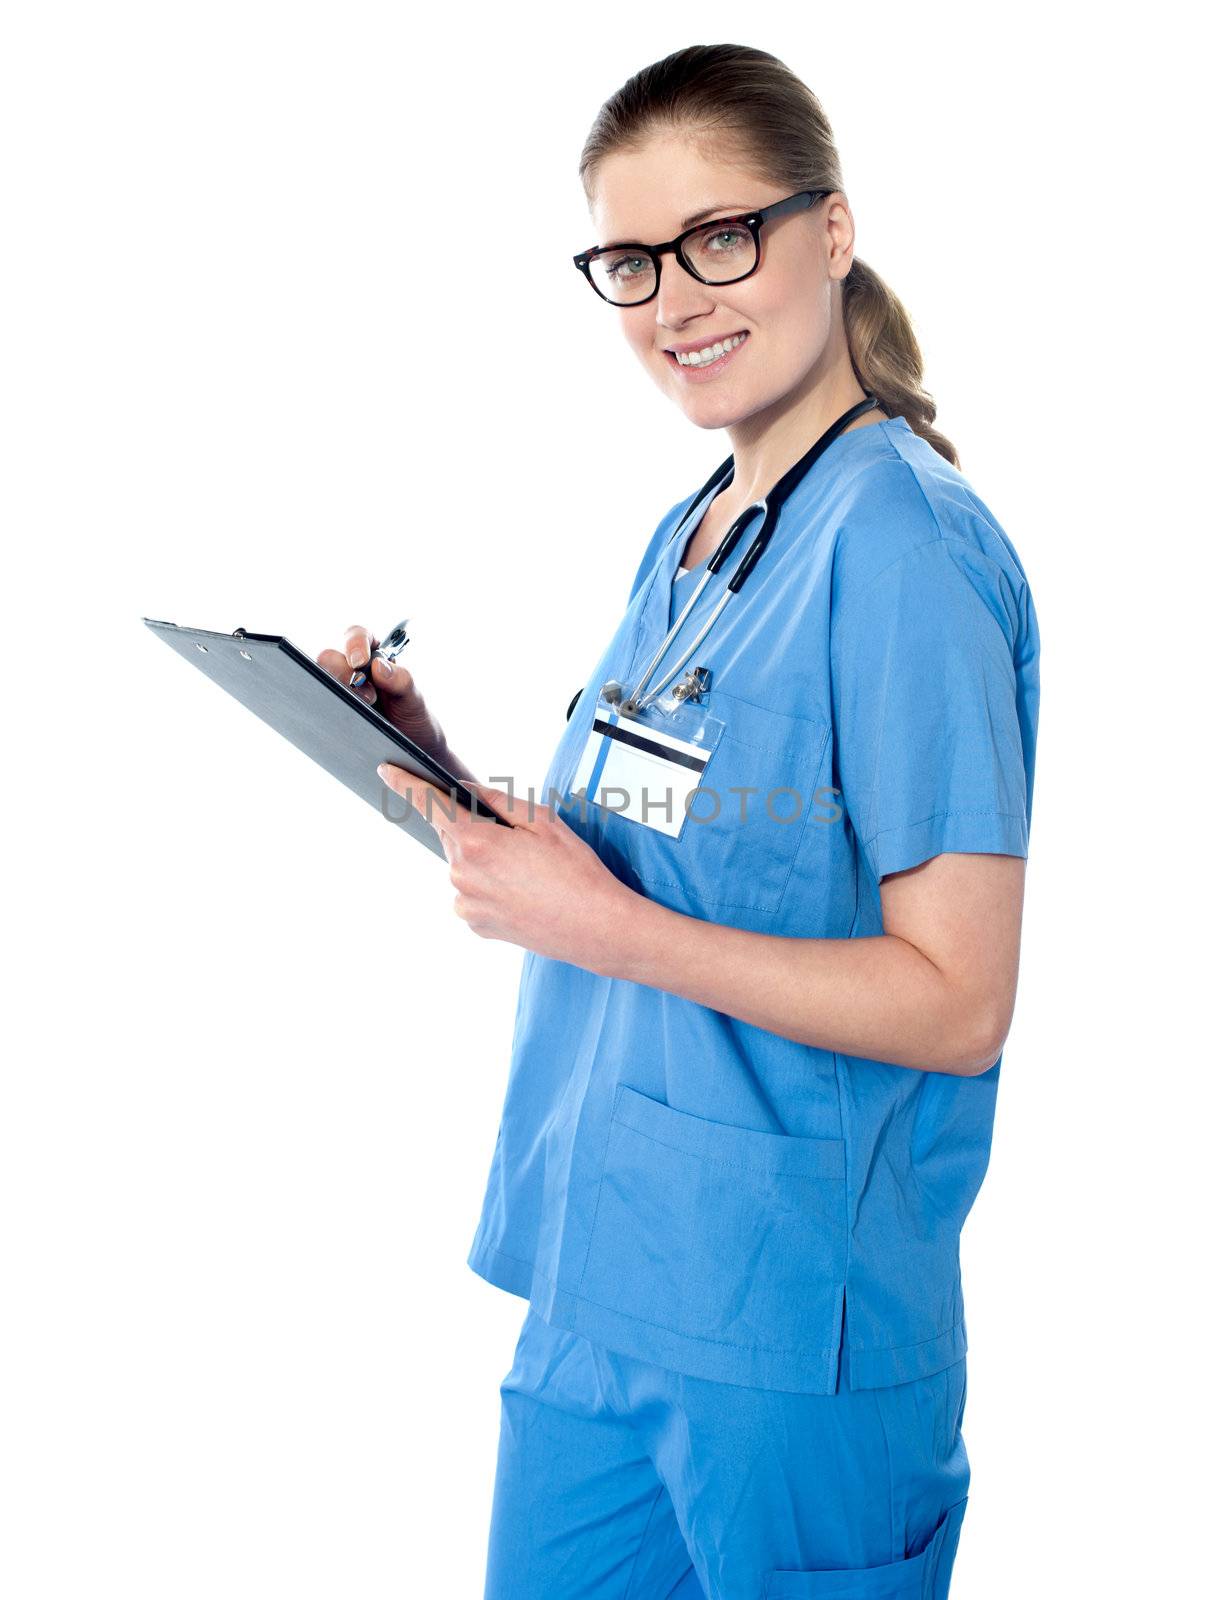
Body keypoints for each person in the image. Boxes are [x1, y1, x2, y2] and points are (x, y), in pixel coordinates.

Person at [320, 42, 1039, 1600]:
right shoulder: (702, 528)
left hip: (792, 1327)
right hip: (601, 1278)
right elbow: (682, 821)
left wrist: (608, 925)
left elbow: (959, 998)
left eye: (722, 239)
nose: (676, 302)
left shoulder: (906, 553)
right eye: (633, 262)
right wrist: (442, 770)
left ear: (829, 233)